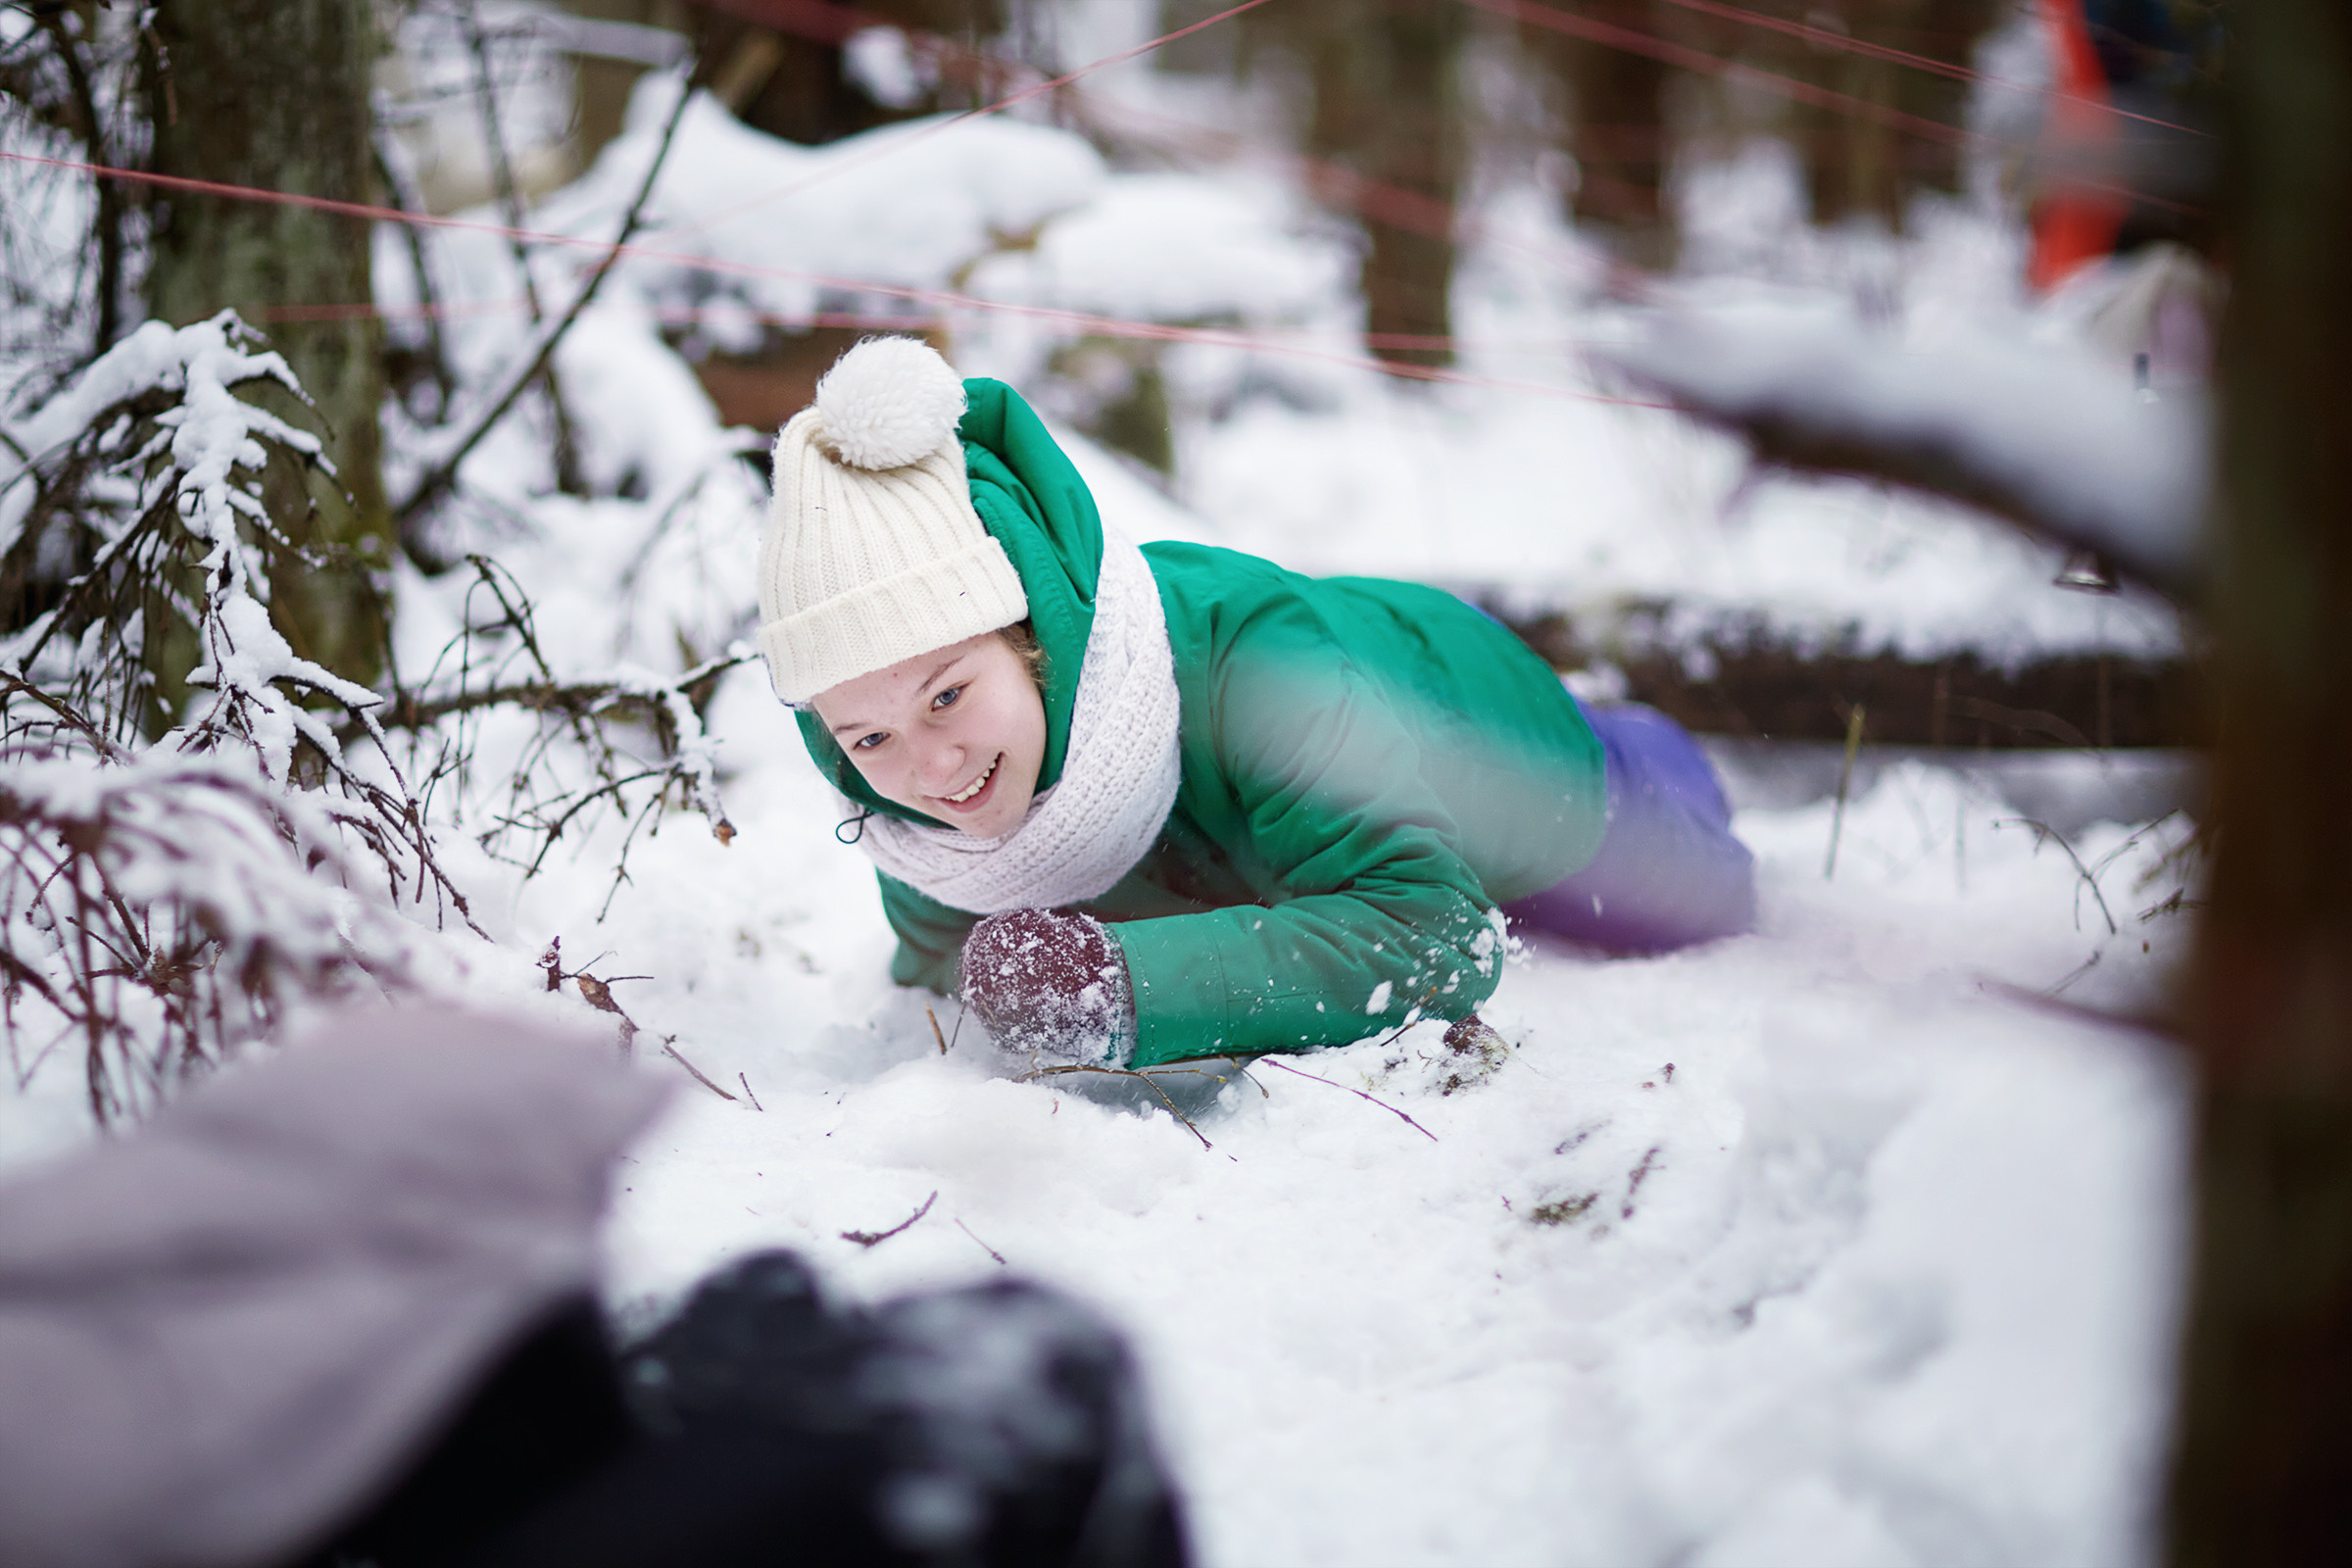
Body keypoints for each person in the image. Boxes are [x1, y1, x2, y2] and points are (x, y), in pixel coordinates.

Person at [760, 338, 1754, 1071]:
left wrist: (1121, 983)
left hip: (1474, 722)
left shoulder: (1255, 672)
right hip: (1323, 764)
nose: (931, 769)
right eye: (871, 735)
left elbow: (1436, 934)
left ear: (1036, 642)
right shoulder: (922, 828)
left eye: (949, 694)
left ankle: (1639, 732)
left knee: (1694, 898)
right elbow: (944, 968)